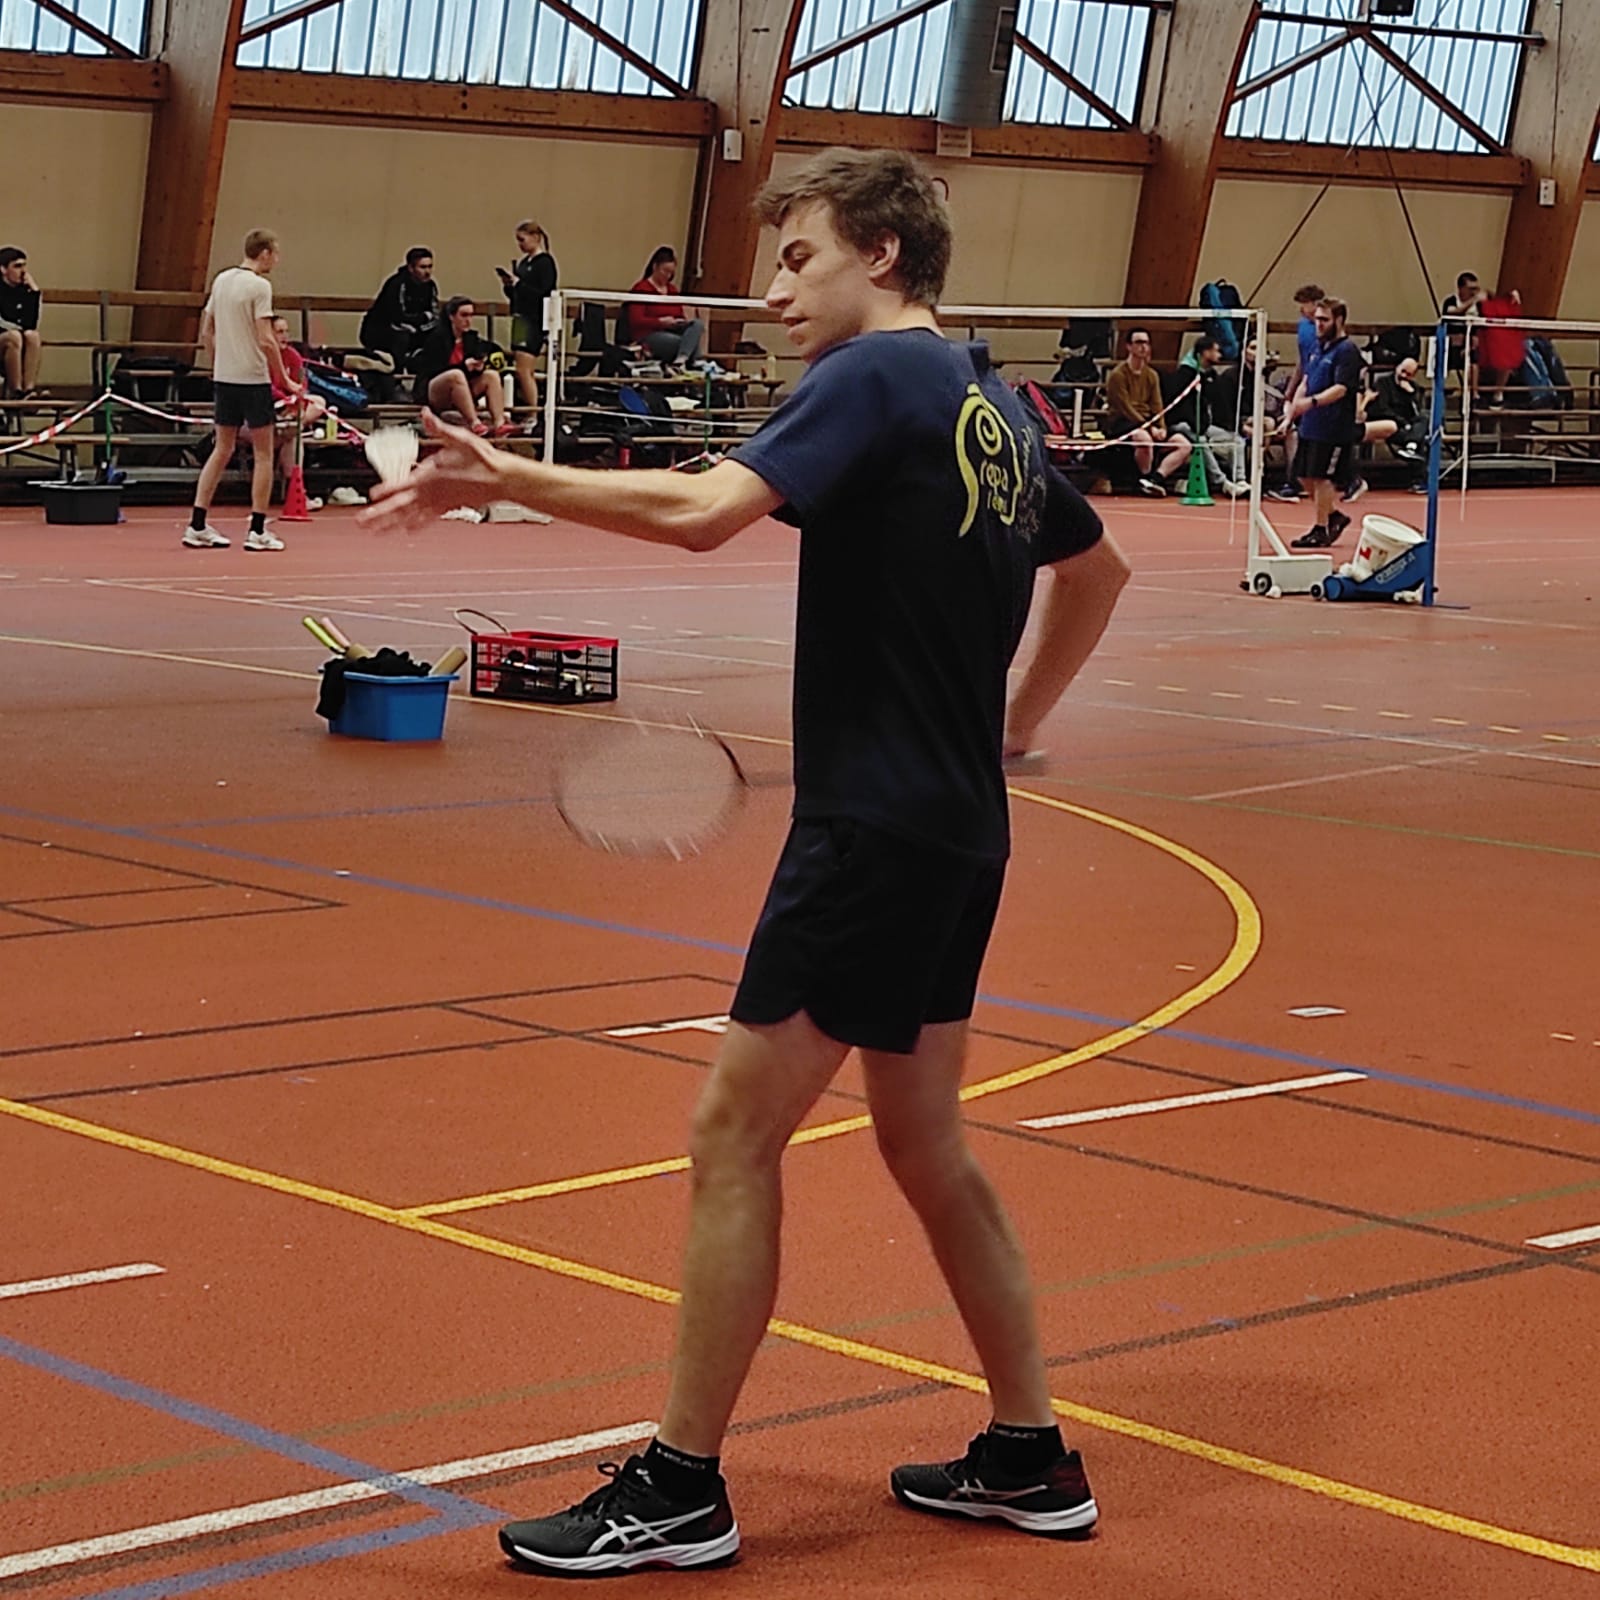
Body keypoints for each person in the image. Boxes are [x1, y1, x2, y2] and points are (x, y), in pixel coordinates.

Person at [362, 145, 1131, 1576]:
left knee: (731, 1138)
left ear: (882, 256)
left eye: (799, 256)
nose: (775, 289)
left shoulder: (873, 375)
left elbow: (707, 512)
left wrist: (504, 479)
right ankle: (1029, 1451)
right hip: (959, 828)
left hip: (872, 832)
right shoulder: (989, 398)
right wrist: (1011, 726)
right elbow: (1096, 572)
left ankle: (680, 1485)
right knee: (924, 1141)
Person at [186, 229, 301, 552]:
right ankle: (258, 530)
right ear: (264, 253)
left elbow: (207, 331)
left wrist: (218, 364)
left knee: (222, 449)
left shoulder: (222, 280)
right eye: (275, 253)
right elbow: (266, 338)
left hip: (225, 379)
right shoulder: (260, 286)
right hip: (252, 379)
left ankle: (197, 524)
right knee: (264, 454)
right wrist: (285, 379)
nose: (277, 260)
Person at [1286, 295, 1362, 549]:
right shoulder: (1317, 348)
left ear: (1338, 320)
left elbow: (1341, 388)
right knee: (1303, 476)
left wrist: (1312, 402)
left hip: (1333, 426)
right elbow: (1306, 381)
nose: (1318, 324)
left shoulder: (1347, 351)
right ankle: (1333, 516)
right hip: (1310, 425)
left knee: (1322, 478)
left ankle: (1321, 528)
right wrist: (1293, 409)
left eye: (1324, 320)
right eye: (1316, 319)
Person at [1104, 328, 1192, 496]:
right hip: (1123, 422)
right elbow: (1125, 408)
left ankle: (1155, 478)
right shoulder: (1118, 375)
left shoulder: (1152, 375)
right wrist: (1149, 428)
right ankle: (1143, 478)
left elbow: (1157, 405)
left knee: (1183, 444)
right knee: (1144, 439)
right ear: (1129, 346)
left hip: (1148, 421)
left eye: (1146, 343)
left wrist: (1162, 427)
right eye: (1138, 342)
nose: (1143, 347)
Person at [411, 295, 512, 435]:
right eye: (464, 315)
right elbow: (433, 370)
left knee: (491, 375)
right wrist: (464, 367)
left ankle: (499, 423)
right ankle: (474, 423)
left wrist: (478, 367)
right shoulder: (436, 338)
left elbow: (472, 370)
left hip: (462, 388)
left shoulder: (472, 339)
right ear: (452, 317)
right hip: (436, 391)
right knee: (456, 375)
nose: (468, 320)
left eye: (471, 315)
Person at [1171, 334, 1248, 496]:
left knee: (1236, 440)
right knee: (1201, 441)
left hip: (1204, 424)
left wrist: (1235, 426)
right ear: (1205, 353)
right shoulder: (1184, 374)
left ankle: (1240, 479)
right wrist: (1197, 426)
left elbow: (1221, 404)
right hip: (1182, 424)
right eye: (1216, 351)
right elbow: (1180, 407)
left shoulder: (1211, 376)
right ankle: (1221, 481)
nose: (1219, 355)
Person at [495, 220, 558, 416]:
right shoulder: (523, 263)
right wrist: (509, 286)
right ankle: (528, 410)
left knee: (525, 370)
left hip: (534, 320)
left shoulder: (545, 263)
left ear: (535, 238)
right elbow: (518, 295)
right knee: (519, 368)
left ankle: (533, 413)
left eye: (522, 240)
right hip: (520, 318)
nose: (520, 245)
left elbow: (544, 293)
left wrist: (519, 284)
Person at [269, 315, 327, 506]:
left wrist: (295, 405)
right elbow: (267, 387)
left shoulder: (292, 355)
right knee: (292, 436)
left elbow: (301, 384)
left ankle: (294, 424)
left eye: (286, 331)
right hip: (266, 410)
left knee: (318, 402)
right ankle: (298, 493)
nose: (285, 336)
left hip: (290, 410)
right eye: (279, 332)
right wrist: (285, 401)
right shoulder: (261, 356)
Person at [625, 247, 707, 369]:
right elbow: (635, 320)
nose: (668, 276)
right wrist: (660, 322)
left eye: (671, 273)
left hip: (672, 329)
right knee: (685, 342)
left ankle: (682, 358)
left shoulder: (672, 290)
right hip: (649, 334)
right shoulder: (641, 288)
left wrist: (678, 322)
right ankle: (695, 362)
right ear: (655, 267)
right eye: (665, 271)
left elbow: (679, 314)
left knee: (697, 324)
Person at [359, 247, 440, 370]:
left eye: (430, 266)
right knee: (402, 337)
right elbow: (397, 316)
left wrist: (421, 326)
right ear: (411, 268)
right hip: (379, 330)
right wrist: (423, 317)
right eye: (423, 267)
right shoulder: (397, 284)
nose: (428, 271)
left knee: (438, 334)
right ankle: (396, 375)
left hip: (414, 328)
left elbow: (434, 315)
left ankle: (424, 374)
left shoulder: (430, 286)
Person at [0, 246, 43, 401]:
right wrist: (18, 329)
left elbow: (30, 324)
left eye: (24, 266)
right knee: (14, 336)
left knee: (33, 336)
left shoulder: (24, 291)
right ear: (3, 269)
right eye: (17, 266)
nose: (23, 271)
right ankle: (15, 390)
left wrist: (34, 292)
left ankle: (28, 389)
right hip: (5, 339)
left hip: (17, 342)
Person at [1440, 270, 1481, 383]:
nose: (1473, 293)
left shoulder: (1478, 305)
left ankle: (1474, 391)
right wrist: (1472, 301)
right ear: (1461, 288)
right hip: (1453, 344)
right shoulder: (1451, 301)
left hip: (1471, 343)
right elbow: (1453, 313)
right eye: (1470, 289)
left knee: (1474, 362)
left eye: (1476, 289)